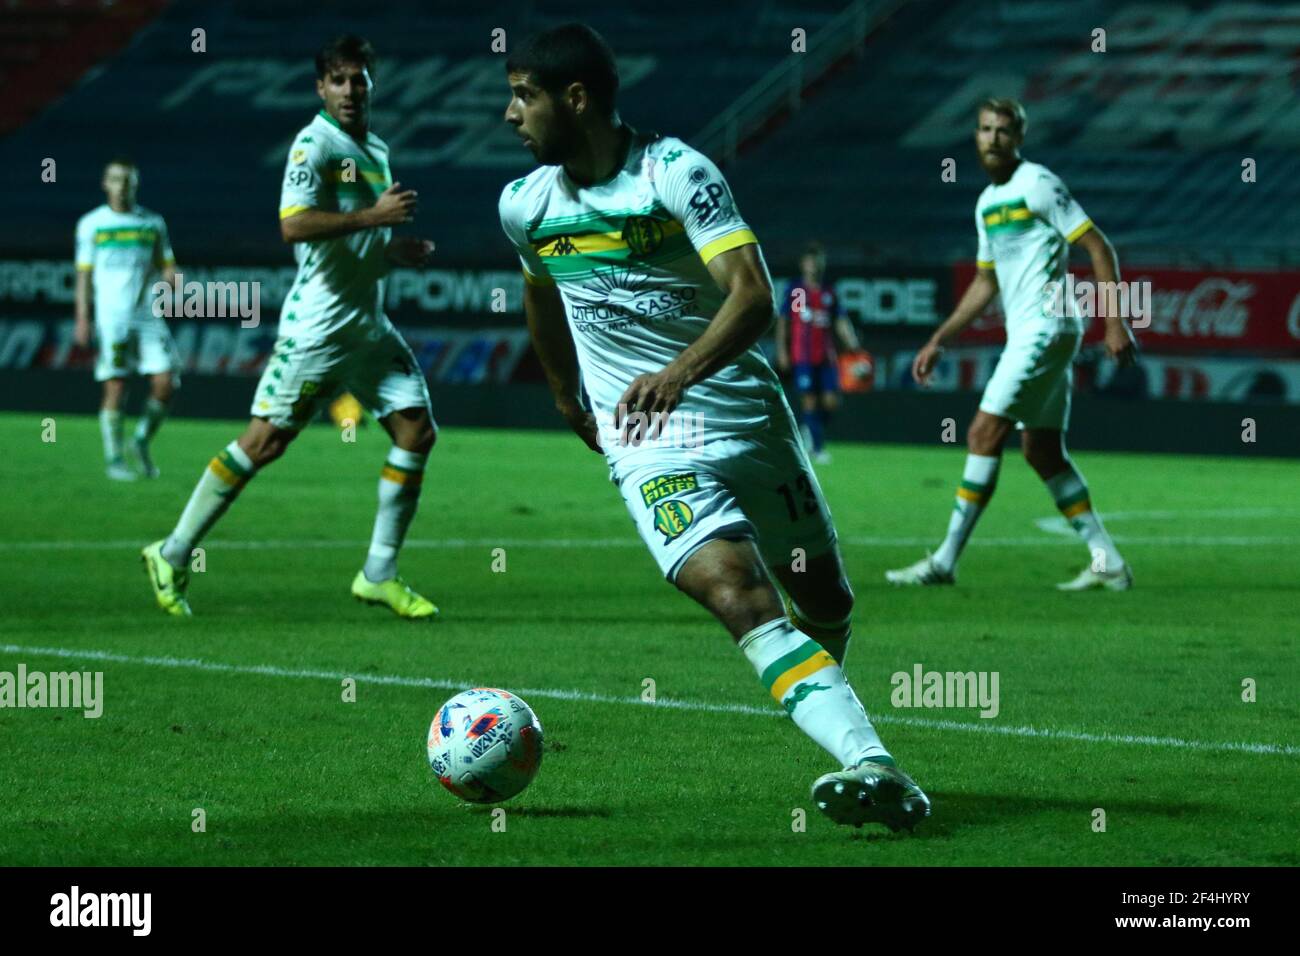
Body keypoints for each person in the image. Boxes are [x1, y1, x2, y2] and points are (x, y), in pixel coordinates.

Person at [498, 23, 929, 830]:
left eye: (524, 95)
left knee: (823, 596)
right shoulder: (525, 205)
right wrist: (565, 395)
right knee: (735, 592)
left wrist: (677, 373)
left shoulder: (675, 173)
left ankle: (819, 696)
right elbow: (541, 293)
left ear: (576, 98)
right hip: (647, 443)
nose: (510, 114)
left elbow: (754, 294)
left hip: (743, 419)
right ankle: (872, 763)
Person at [141, 35, 439, 619]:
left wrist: (390, 249)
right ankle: (172, 552)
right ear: (320, 88)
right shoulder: (314, 145)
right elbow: (295, 226)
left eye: (359, 79)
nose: (350, 89)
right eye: (338, 79)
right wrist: (374, 216)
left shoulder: (372, 147)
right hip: (318, 329)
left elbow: (354, 237)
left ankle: (378, 572)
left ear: (372, 84)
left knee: (416, 431)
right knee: (264, 443)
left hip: (367, 327)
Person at [887, 98, 1138, 591]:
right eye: (985, 129)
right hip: (1034, 331)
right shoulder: (986, 203)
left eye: (1004, 130)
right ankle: (1107, 562)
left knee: (983, 432)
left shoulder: (1038, 185)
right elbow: (986, 283)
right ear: (976, 136)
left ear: (1018, 137)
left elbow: (1097, 245)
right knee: (1042, 451)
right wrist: (940, 338)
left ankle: (943, 561)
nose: (993, 138)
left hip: (1048, 326)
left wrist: (1115, 323)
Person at [74, 158, 181, 480]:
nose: (122, 187)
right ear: (105, 183)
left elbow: (167, 263)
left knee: (166, 382)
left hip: (148, 316)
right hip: (112, 317)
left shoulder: (152, 223)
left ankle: (140, 441)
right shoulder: (92, 224)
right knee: (116, 386)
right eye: (116, 180)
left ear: (136, 184)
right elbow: (83, 276)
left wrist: (172, 276)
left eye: (128, 181)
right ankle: (114, 460)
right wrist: (83, 316)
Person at [774, 241, 860, 464]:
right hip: (803, 356)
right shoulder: (798, 291)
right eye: (810, 261)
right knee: (810, 401)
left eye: (818, 261)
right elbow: (785, 321)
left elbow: (839, 320)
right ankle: (817, 448)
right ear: (803, 264)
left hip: (826, 357)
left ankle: (809, 429)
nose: (814, 265)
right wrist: (782, 350)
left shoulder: (828, 293)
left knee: (831, 402)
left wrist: (851, 341)